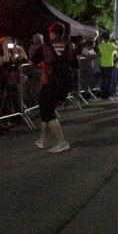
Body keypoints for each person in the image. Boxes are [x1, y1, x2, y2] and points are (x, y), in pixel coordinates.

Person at [31, 22, 77, 153]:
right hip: (66, 83)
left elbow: (32, 62)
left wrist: (44, 65)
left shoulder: (45, 46)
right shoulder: (70, 46)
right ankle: (42, 139)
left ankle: (62, 142)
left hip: (50, 83)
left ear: (51, 33)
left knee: (47, 112)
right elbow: (75, 65)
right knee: (46, 109)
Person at [97, 35, 118, 100]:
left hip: (102, 65)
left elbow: (99, 53)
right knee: (109, 81)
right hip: (109, 65)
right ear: (109, 39)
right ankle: (108, 96)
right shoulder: (111, 45)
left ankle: (103, 96)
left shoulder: (101, 45)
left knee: (103, 81)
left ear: (104, 38)